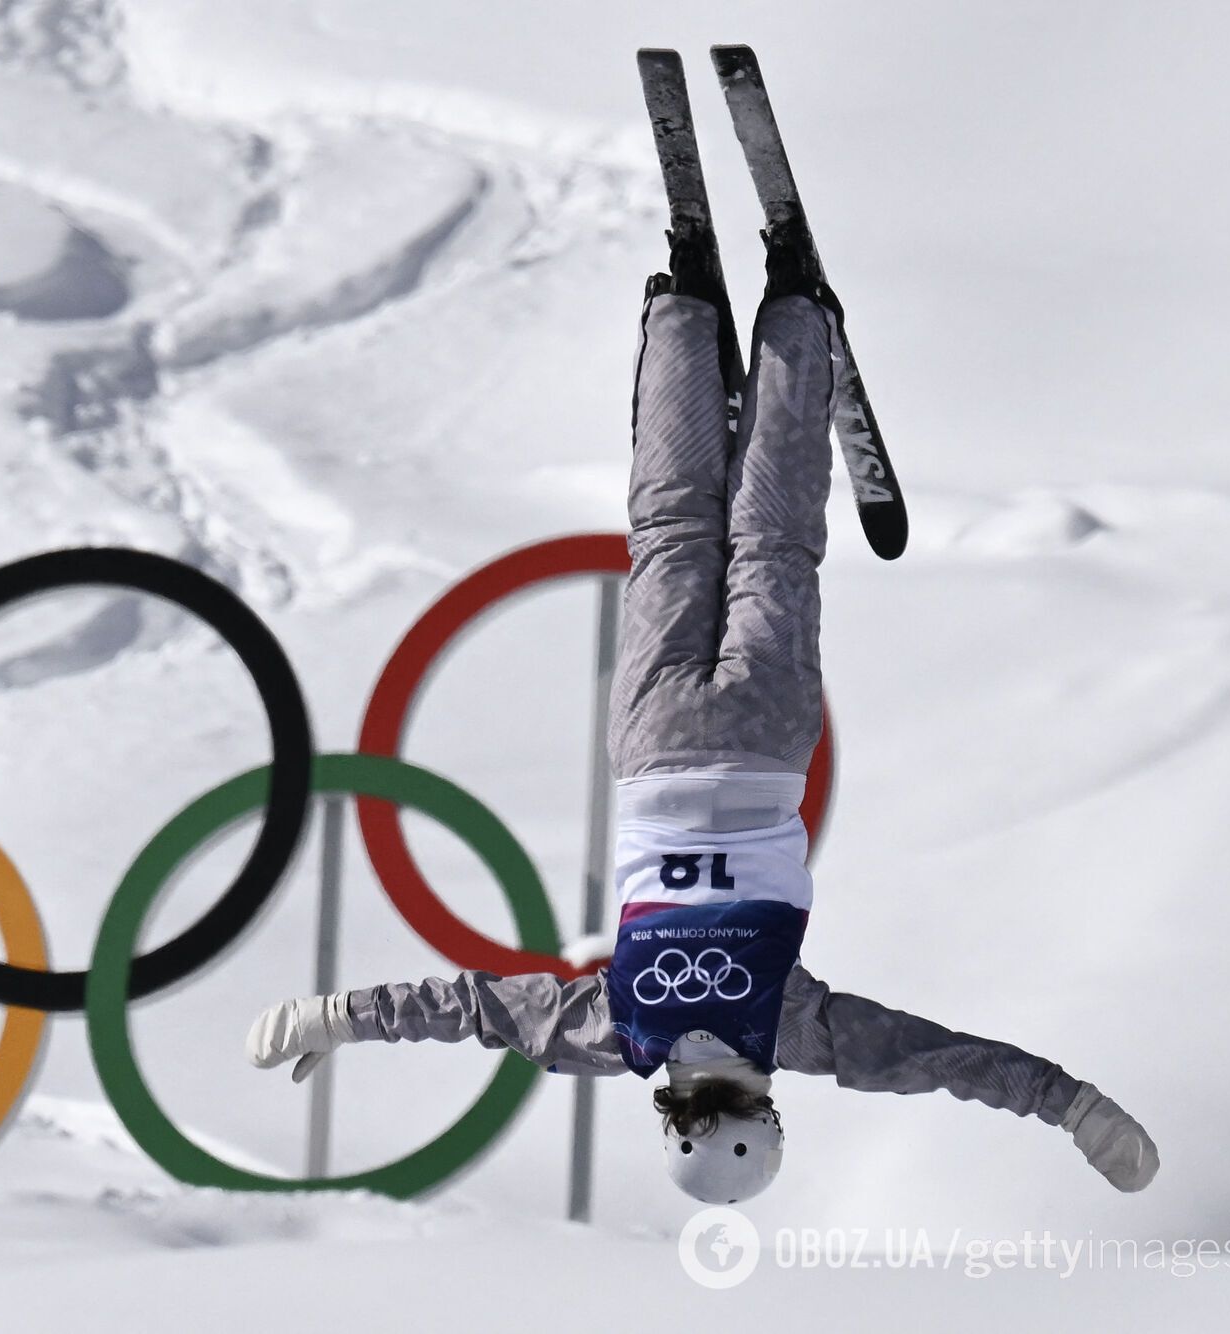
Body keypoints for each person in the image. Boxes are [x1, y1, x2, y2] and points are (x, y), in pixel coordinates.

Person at [246, 225, 1159, 1205]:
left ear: (758, 1106)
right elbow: (471, 1005)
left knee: (771, 543)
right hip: (653, 743)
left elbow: (935, 1057)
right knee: (673, 526)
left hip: (762, 743)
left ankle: (792, 315)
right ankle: (680, 310)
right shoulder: (618, 1029)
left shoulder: (787, 1027)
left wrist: (1069, 1105)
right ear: (675, 1106)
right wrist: (334, 1014)